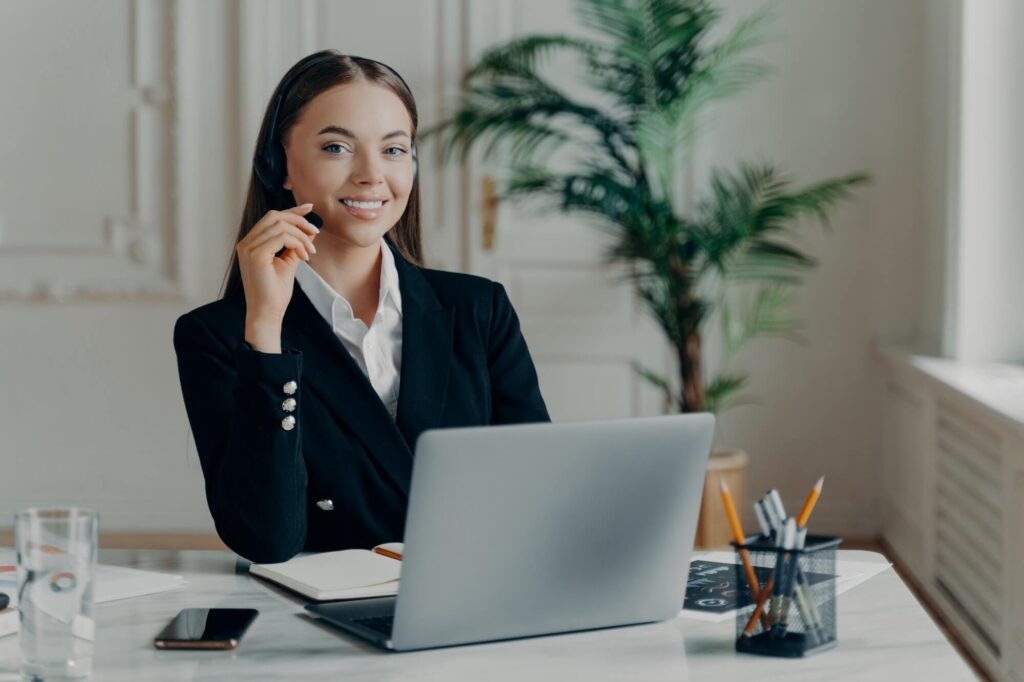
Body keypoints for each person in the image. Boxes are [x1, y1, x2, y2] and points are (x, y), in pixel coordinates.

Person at [173, 50, 550, 564]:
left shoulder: (479, 308)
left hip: (473, 603)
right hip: (318, 624)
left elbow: (537, 492)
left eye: (394, 150)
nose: (372, 176)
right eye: (337, 147)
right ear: (279, 166)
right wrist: (264, 330)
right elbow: (267, 538)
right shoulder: (217, 336)